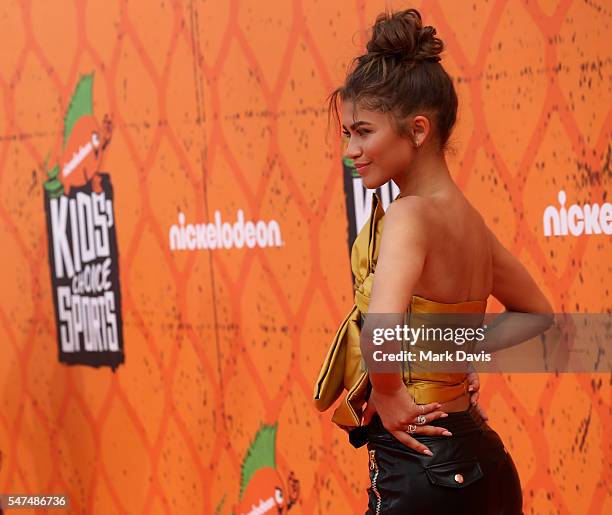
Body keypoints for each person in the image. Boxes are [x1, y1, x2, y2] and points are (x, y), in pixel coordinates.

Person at [313, 8, 554, 515]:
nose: (351, 150)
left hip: (422, 468)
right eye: (347, 134)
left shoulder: (409, 217)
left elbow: (380, 329)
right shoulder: (471, 224)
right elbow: (537, 312)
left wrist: (391, 393)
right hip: (485, 462)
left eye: (363, 132)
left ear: (418, 130)